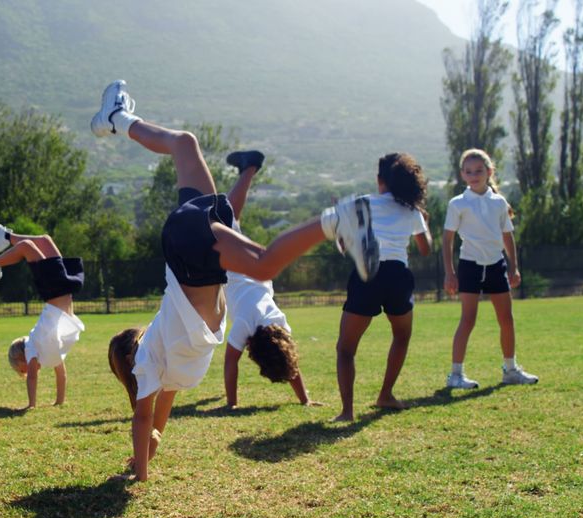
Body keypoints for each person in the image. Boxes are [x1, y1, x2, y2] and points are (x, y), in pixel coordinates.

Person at [91, 79, 378, 481]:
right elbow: (155, 427)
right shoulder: (167, 376)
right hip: (198, 264)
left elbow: (143, 422)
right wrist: (143, 459)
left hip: (189, 258)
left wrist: (139, 475)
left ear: (130, 361)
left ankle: (335, 222)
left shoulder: (148, 364)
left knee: (262, 265)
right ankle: (118, 118)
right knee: (185, 144)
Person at [332, 153, 433, 422]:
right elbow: (425, 249)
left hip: (368, 273)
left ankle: (347, 411)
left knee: (346, 348)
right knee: (401, 336)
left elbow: (343, 245)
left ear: (379, 180)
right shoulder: (411, 210)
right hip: (398, 275)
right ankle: (385, 394)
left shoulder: (361, 204)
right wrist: (425, 223)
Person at [220, 150, 322, 409]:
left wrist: (305, 399)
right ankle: (250, 166)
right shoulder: (245, 324)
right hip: (233, 266)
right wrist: (231, 404)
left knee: (229, 217)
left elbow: (290, 361)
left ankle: (248, 168)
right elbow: (230, 361)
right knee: (223, 217)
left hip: (254, 271)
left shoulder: (280, 325)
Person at [0, 218, 86, 409]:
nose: (27, 372)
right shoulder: (52, 354)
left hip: (55, 291)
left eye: (21, 370)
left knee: (28, 246)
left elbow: (36, 377)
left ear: (21, 359)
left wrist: (31, 405)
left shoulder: (32, 345)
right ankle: (2, 237)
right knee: (43, 240)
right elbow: (61, 374)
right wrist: (59, 402)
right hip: (62, 288)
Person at [442, 148, 539, 388]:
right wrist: (450, 272)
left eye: (479, 170)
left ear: (489, 172)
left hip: (496, 265)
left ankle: (511, 369)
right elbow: (447, 240)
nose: (474, 175)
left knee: (506, 318)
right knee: (468, 319)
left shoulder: (499, 203)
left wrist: (513, 266)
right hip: (470, 266)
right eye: (469, 171)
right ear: (462, 175)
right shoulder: (458, 204)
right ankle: (456, 375)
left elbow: (508, 236)